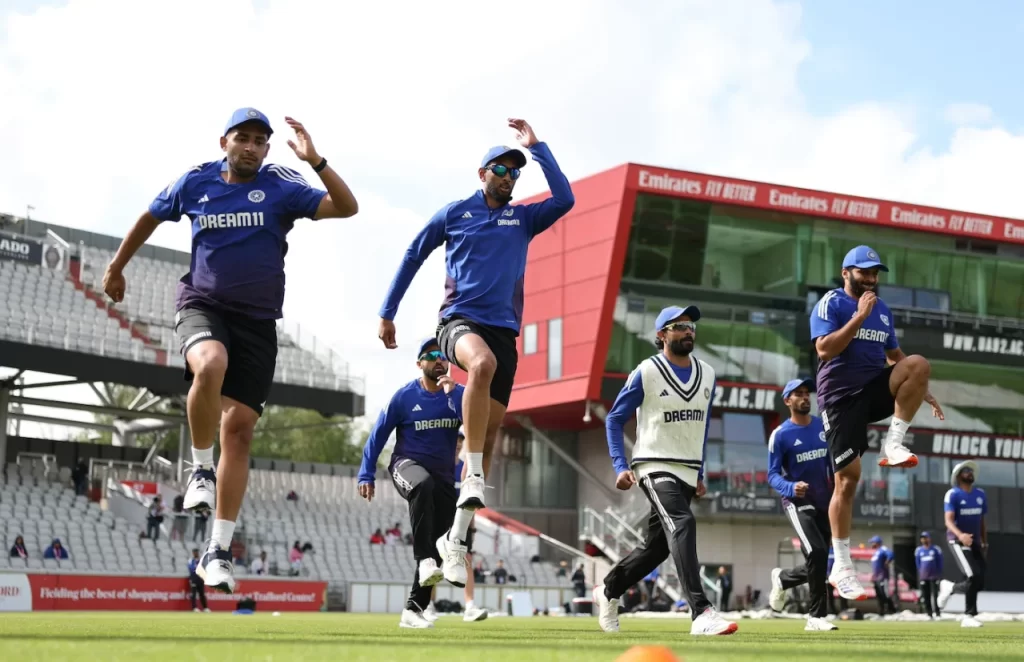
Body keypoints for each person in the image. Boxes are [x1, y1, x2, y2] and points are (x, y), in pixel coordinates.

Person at [102, 108, 358, 593]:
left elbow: (346, 208)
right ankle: (200, 469)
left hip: (259, 324)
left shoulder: (282, 185)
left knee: (239, 433)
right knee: (210, 363)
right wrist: (116, 268)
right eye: (243, 138)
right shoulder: (196, 182)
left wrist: (316, 160)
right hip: (203, 304)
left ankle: (216, 551)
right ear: (224, 141)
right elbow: (148, 217)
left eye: (260, 141)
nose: (251, 146)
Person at [376, 119, 575, 586]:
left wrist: (538, 148)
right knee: (479, 365)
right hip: (458, 324)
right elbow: (412, 255)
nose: (508, 177)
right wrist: (388, 312)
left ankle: (455, 540)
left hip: (505, 332)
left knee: (490, 426)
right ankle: (474, 476)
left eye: (515, 172)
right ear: (481, 172)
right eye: (501, 169)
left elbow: (564, 199)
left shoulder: (522, 217)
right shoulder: (454, 213)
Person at [592, 305, 737, 636]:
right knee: (683, 522)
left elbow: (700, 425)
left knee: (656, 549)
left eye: (691, 326)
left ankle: (609, 589)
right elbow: (614, 418)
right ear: (661, 335)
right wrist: (619, 465)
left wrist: (700, 471)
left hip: (687, 470)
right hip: (653, 464)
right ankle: (701, 612)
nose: (689, 331)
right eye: (679, 326)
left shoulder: (709, 374)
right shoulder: (647, 371)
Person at [809, 245, 944, 600]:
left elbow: (895, 355)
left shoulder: (882, 310)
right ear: (846, 273)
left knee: (918, 363)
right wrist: (857, 316)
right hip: (839, 400)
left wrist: (919, 386)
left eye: (874, 273)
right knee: (848, 479)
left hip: (872, 389)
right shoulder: (832, 304)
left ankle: (894, 443)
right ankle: (842, 566)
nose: (871, 279)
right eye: (864, 272)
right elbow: (824, 350)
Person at [357, 338, 465, 630]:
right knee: (423, 486)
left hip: (443, 479)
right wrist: (366, 473)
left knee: (441, 543)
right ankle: (424, 559)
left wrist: (453, 395)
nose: (439, 360)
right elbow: (378, 434)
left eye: (443, 356)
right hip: (406, 466)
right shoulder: (404, 396)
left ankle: (413, 610)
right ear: (419, 363)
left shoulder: (458, 394)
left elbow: (479, 422)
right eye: (431, 355)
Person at [766, 377, 837, 631]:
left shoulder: (823, 426)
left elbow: (833, 461)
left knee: (820, 561)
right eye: (798, 394)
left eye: (807, 393)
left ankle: (784, 578)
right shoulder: (780, 435)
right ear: (788, 401)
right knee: (817, 553)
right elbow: (772, 474)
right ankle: (816, 618)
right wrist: (791, 487)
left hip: (825, 502)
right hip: (797, 502)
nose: (805, 397)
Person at [422, 429, 489, 624]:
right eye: (455, 440)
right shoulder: (436, 467)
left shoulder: (466, 469)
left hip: (463, 524)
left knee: (466, 560)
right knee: (434, 563)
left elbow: (470, 501)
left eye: (461, 440)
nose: (458, 443)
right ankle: (428, 605)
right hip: (439, 521)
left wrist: (473, 527)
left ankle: (469, 606)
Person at [937, 460, 986, 628]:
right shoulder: (953, 494)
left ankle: (950, 588)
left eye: (970, 470)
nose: (969, 472)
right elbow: (948, 521)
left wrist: (984, 541)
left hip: (976, 543)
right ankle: (969, 615)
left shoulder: (980, 494)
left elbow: (981, 521)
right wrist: (961, 535)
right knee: (972, 575)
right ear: (958, 476)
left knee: (980, 579)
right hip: (957, 540)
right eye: (965, 470)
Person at [915, 531, 943, 619]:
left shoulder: (936, 549)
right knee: (926, 595)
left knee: (935, 595)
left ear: (929, 538)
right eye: (922, 538)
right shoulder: (918, 550)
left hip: (934, 576)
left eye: (925, 538)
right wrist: (921, 573)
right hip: (924, 577)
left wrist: (938, 574)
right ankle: (929, 613)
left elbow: (940, 562)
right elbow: (918, 564)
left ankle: (937, 613)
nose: (924, 540)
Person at [868, 535, 896, 615]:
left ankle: (892, 610)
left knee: (885, 594)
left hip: (883, 577)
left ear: (876, 543)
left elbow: (891, 554)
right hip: (876, 578)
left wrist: (887, 561)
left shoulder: (883, 549)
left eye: (872, 542)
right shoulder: (876, 553)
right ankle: (881, 612)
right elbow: (875, 567)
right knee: (879, 595)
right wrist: (873, 576)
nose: (871, 544)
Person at [187, 548, 210, 612]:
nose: (196, 553)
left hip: (200, 579)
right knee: (193, 594)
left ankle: (205, 608)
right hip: (194, 578)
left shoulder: (201, 560)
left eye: (196, 552)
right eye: (194, 552)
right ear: (193, 553)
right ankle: (194, 608)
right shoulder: (191, 560)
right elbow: (191, 568)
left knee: (202, 594)